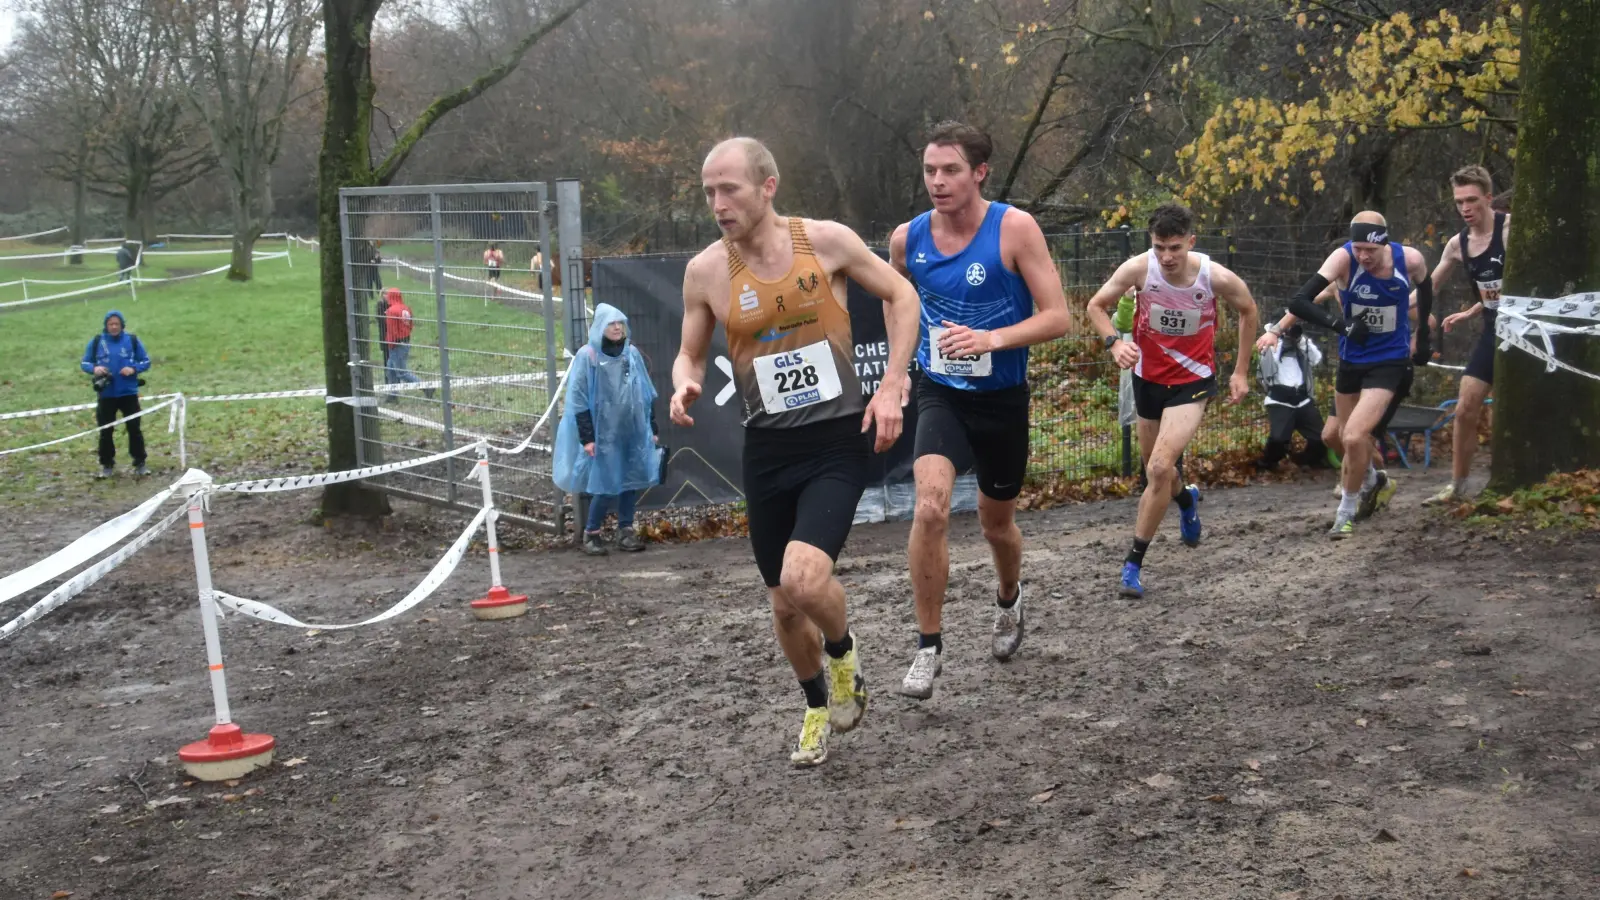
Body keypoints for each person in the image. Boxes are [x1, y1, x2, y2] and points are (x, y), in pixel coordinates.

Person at [670, 136, 920, 767]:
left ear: (768, 186)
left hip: (835, 440)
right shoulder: (705, 271)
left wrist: (893, 382)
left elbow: (902, 296)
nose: (718, 204)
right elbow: (689, 353)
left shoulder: (825, 242)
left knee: (803, 579)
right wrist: (684, 383)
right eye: (709, 192)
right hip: (767, 450)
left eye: (730, 189)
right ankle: (815, 705)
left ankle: (842, 650)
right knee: (783, 606)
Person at [887, 121, 1073, 701]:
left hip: (1002, 398)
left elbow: (1059, 316)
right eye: (929, 170)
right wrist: (897, 371)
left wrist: (991, 339)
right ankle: (928, 646)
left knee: (996, 526)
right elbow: (895, 302)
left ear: (980, 173)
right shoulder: (908, 239)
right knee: (930, 509)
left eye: (951, 170)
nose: (937, 182)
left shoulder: (1014, 229)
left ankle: (1009, 597)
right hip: (941, 392)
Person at [1085, 204, 1260, 598]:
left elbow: (1248, 310)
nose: (1166, 257)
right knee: (1158, 474)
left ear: (1191, 242)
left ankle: (1132, 564)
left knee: (1161, 466)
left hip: (1191, 383)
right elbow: (1095, 306)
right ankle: (1186, 500)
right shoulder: (1138, 269)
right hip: (1148, 380)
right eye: (1159, 247)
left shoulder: (1214, 276)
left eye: (1175, 248)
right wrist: (1114, 344)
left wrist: (1240, 371)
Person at [1286, 212, 1434, 538]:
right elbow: (1299, 301)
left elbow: (1426, 290)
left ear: (1385, 243)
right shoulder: (1342, 260)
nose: (1364, 256)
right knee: (1336, 436)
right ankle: (1373, 479)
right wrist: (1342, 326)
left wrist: (1422, 336)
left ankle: (1345, 512)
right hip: (1351, 361)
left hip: (1390, 362)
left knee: (1354, 436)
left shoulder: (1409, 260)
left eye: (1371, 250)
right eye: (1358, 249)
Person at [1421, 165, 1510, 505]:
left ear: (1488, 198)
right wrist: (1395, 303)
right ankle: (1457, 487)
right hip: (1493, 331)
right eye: (1459, 202)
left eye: (1472, 200)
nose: (1465, 208)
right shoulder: (1458, 244)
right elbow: (1428, 289)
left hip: (1529, 333)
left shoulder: (1512, 230)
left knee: (1513, 410)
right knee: (1465, 407)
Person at [553, 304, 660, 556]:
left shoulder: (631, 354)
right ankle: (591, 533)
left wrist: (650, 427)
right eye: (611, 323)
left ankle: (626, 531)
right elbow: (578, 400)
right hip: (603, 435)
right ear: (600, 326)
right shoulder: (588, 356)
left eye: (620, 323)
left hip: (631, 430)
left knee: (630, 480)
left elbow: (645, 394)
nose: (616, 327)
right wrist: (587, 438)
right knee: (603, 483)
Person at [80, 309, 152, 478]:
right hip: (106, 394)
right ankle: (107, 465)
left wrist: (133, 368)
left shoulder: (132, 340)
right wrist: (95, 368)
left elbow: (146, 361)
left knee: (134, 429)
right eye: (110, 324)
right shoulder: (97, 342)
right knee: (106, 431)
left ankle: (140, 463)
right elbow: (85, 363)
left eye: (116, 324)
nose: (113, 327)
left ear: (122, 325)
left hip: (128, 393)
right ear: (106, 325)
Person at [1255, 324, 1333, 470]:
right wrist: (1277, 337)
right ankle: (1267, 463)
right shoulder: (1269, 342)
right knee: (1278, 439)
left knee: (1321, 437)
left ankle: (1305, 461)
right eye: (1286, 327)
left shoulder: (1301, 345)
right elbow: (1267, 363)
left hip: (1302, 399)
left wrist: (1300, 340)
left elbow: (1316, 359)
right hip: (1279, 400)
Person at [380, 288, 423, 395]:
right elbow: (411, 325)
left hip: (396, 345)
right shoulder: (406, 308)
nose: (387, 298)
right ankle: (393, 395)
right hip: (405, 342)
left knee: (402, 373)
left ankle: (426, 387)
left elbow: (392, 330)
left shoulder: (391, 311)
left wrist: (391, 343)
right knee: (391, 369)